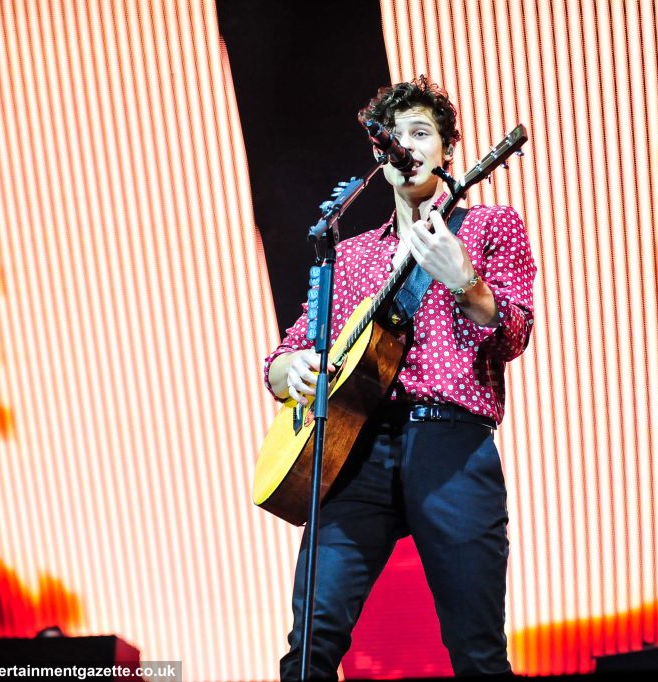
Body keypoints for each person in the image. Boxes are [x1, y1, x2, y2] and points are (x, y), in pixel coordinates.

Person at [263, 75, 536, 678]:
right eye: (396, 136)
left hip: (451, 445)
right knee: (309, 647)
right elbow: (285, 354)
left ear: (447, 150)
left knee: (477, 651)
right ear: (380, 155)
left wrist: (464, 280)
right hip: (354, 448)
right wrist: (290, 370)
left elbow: (513, 333)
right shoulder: (352, 253)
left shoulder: (489, 226)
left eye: (421, 133)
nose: (407, 145)